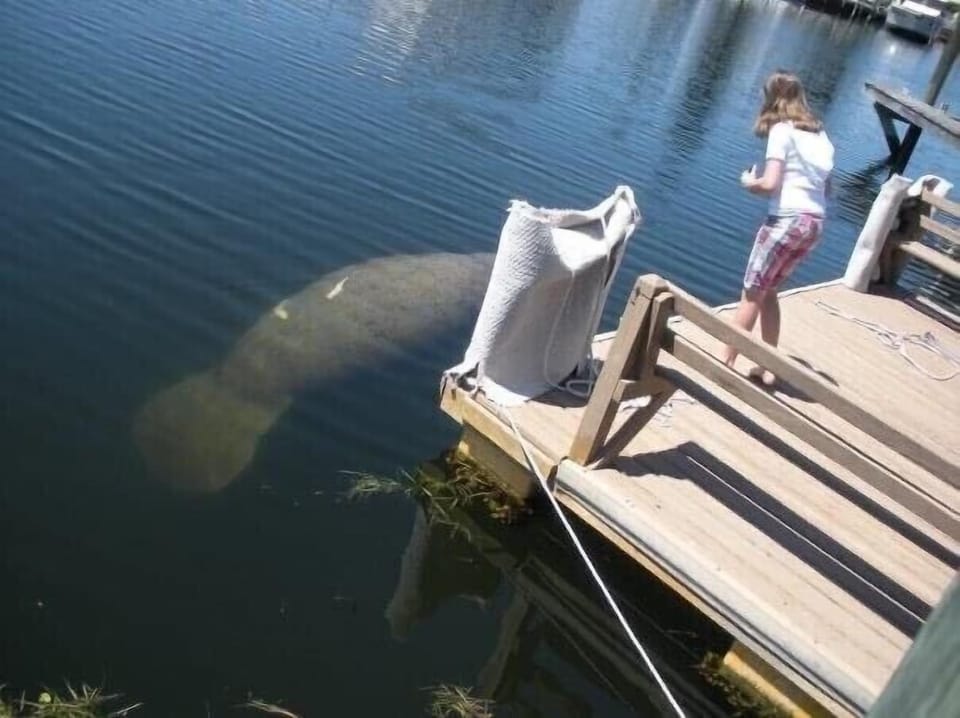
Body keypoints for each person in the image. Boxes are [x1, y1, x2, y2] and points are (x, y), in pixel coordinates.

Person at [721, 70, 834, 386]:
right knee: (769, 292)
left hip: (786, 220)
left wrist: (749, 183)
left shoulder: (782, 132)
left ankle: (725, 363)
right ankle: (765, 364)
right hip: (814, 223)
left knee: (752, 292)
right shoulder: (821, 136)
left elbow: (770, 184)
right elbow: (827, 190)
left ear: (772, 99)